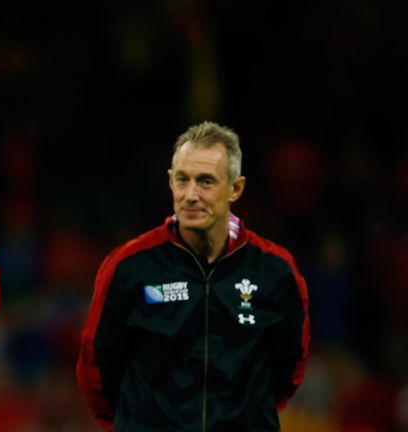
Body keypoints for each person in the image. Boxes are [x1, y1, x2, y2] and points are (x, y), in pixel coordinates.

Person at [76, 121, 310, 431]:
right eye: (183, 180)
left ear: (235, 188)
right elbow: (97, 367)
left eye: (206, 182)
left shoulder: (275, 270)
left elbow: (290, 366)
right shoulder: (129, 267)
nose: (190, 195)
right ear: (170, 181)